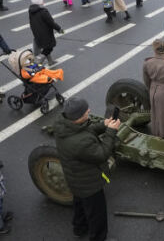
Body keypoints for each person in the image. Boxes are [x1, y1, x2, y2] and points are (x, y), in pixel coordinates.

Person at [54, 97, 120, 241]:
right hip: (90, 185)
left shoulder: (64, 124)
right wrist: (111, 132)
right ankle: (98, 237)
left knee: (79, 203)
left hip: (77, 180)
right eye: (86, 111)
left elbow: (85, 130)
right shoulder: (80, 143)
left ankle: (79, 228)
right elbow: (102, 154)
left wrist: (104, 124)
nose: (89, 110)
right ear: (78, 117)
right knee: (97, 214)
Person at [29, 0, 65, 64]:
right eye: (42, 1)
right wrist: (59, 29)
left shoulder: (31, 11)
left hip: (37, 32)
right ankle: (38, 61)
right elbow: (51, 22)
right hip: (45, 32)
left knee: (46, 46)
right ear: (40, 2)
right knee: (49, 48)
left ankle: (50, 61)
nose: (43, 2)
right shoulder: (43, 11)